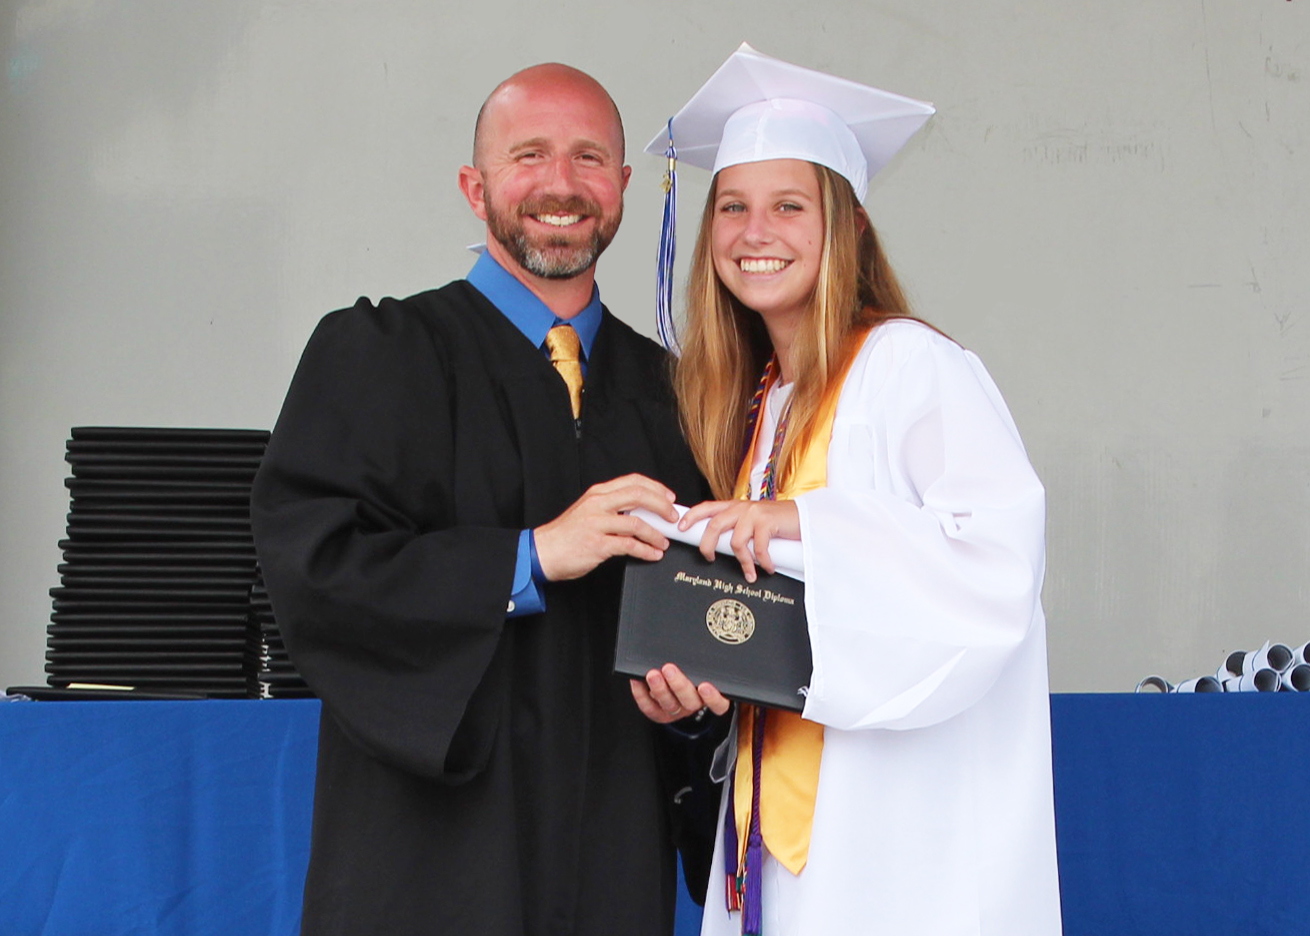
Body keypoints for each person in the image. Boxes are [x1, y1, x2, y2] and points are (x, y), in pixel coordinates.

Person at [251, 62, 718, 936]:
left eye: (588, 159)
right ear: (476, 187)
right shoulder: (378, 352)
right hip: (430, 854)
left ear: (620, 187)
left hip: (612, 852)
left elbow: (704, 625)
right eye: (528, 155)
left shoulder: (679, 397)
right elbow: (314, 563)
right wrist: (531, 556)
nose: (561, 184)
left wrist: (695, 710)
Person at [629, 45, 1063, 936]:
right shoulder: (764, 404)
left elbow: (997, 569)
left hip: (904, 833)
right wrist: (704, 678)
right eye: (735, 208)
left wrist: (801, 523)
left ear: (849, 226)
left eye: (790, 206)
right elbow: (785, 622)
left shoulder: (914, 365)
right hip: (779, 835)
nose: (757, 234)